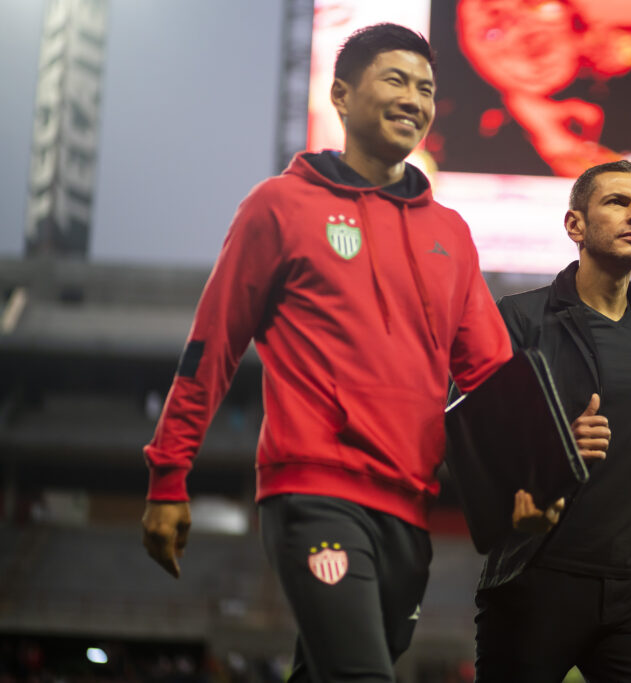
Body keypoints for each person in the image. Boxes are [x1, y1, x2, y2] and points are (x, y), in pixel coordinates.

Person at [140, 23, 512, 682]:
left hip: (411, 513)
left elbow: (492, 378)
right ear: (340, 96)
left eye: (426, 88)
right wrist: (169, 474)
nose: (415, 99)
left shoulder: (450, 233)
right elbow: (212, 345)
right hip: (314, 494)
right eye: (396, 79)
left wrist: (538, 466)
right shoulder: (279, 207)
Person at [474, 160, 631, 683]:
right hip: (535, 580)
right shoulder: (518, 318)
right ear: (575, 225)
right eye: (618, 202)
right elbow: (466, 433)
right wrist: (551, 446)